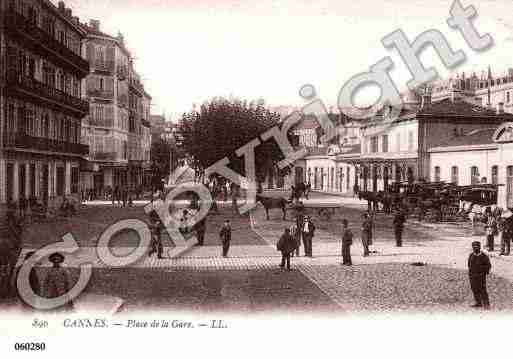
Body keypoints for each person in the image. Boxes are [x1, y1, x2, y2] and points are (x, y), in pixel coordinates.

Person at [468, 241, 491, 309]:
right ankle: (478, 302)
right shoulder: (471, 255)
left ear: (480, 247)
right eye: (474, 247)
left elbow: (488, 266)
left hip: (481, 276)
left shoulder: (484, 256)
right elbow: (469, 264)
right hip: (472, 276)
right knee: (474, 289)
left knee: (482, 289)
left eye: (477, 247)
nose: (475, 248)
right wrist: (471, 274)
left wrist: (484, 272)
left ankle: (486, 304)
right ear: (472, 248)